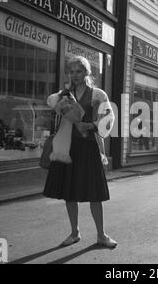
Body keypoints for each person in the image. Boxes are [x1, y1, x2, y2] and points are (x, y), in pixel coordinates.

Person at [43, 56, 117, 248]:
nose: (75, 75)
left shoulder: (98, 94)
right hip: (68, 148)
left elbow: (109, 119)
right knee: (70, 193)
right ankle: (74, 233)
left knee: (95, 194)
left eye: (79, 71)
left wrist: (91, 125)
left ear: (86, 72)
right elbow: (50, 101)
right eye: (72, 71)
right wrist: (61, 99)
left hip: (90, 147)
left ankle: (101, 235)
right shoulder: (65, 94)